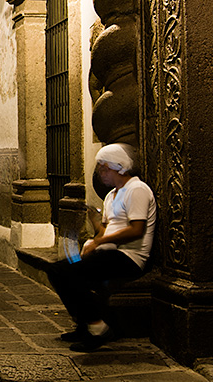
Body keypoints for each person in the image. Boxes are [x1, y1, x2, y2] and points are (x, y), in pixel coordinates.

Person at [47, 143, 156, 352]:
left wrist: (98, 242)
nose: (100, 173)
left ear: (119, 167)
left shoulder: (137, 189)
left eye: (104, 168)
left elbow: (136, 230)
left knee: (70, 273)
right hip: (109, 252)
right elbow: (104, 233)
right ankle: (85, 324)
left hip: (129, 257)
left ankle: (98, 328)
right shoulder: (111, 196)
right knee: (57, 271)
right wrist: (96, 224)